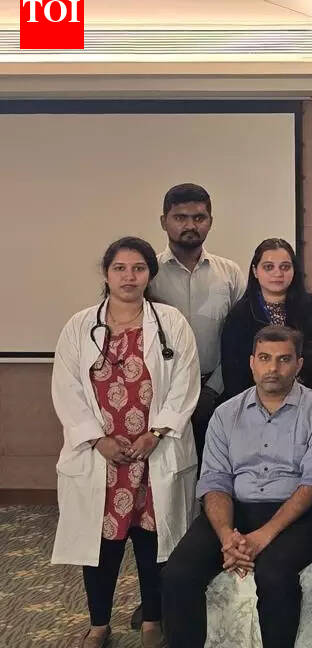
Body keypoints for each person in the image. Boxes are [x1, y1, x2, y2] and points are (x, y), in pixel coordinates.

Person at [51, 236, 201, 648]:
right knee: (102, 545)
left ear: (150, 273)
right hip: (103, 457)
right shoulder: (80, 326)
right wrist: (96, 439)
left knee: (154, 541)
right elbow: (66, 388)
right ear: (106, 273)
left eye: (138, 268)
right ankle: (99, 624)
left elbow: (185, 383)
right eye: (120, 268)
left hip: (155, 452)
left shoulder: (170, 322)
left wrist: (157, 432)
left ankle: (153, 619)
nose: (129, 277)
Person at [163, 325, 312, 648]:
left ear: (299, 364)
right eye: (264, 358)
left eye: (284, 359)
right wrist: (227, 537)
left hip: (300, 514)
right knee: (178, 572)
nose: (273, 368)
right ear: (251, 362)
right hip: (236, 510)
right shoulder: (225, 414)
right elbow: (215, 481)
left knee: (274, 574)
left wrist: (261, 537)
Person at [148, 183, 245, 460]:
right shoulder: (149, 275)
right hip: (161, 397)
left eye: (199, 217)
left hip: (218, 396)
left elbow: (240, 337)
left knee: (216, 472)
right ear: (164, 221)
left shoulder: (230, 273)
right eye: (180, 217)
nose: (190, 225)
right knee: (169, 474)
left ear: (210, 222)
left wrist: (212, 389)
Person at [220, 238, 312, 397]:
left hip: (308, 399)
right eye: (269, 267)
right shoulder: (239, 314)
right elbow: (233, 374)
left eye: (285, 267)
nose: (278, 273)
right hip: (257, 401)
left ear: (294, 270)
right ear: (255, 271)